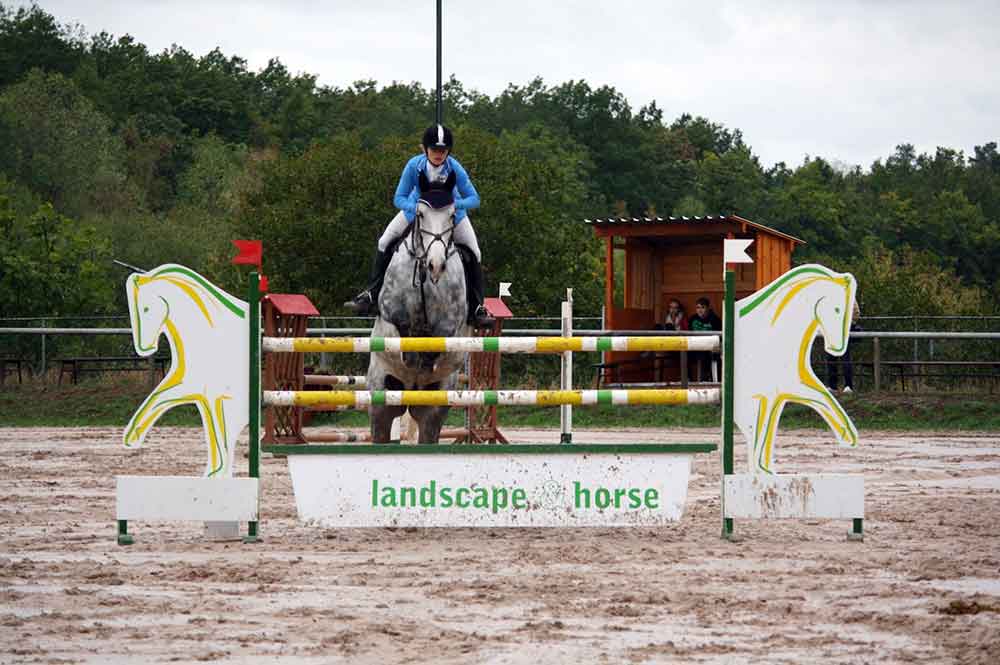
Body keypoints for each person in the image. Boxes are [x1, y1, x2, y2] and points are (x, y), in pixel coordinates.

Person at [344, 124, 493, 326]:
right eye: (434, 149)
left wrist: (454, 205)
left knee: (475, 252)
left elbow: (474, 198)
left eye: (443, 150)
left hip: (451, 217)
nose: (439, 154)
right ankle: (370, 294)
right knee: (384, 241)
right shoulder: (414, 165)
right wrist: (412, 208)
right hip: (418, 212)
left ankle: (477, 308)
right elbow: (399, 197)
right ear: (424, 149)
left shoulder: (454, 168)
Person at [827, 300, 861, 393]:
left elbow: (856, 312)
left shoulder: (849, 296)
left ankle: (848, 386)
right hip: (833, 330)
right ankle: (832, 386)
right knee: (831, 358)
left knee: (845, 358)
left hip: (844, 329)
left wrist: (849, 323)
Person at [689, 297, 722, 381]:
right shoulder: (693, 319)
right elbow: (688, 333)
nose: (700, 310)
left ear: (708, 308)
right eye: (698, 308)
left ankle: (711, 379)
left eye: (702, 307)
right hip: (695, 346)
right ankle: (689, 379)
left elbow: (719, 337)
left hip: (710, 347)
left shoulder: (715, 319)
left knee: (710, 355)